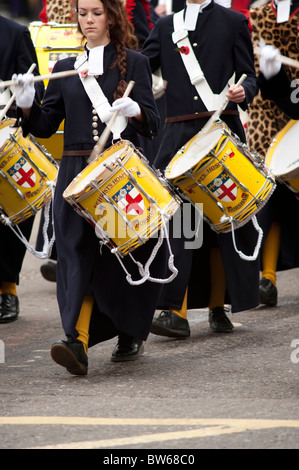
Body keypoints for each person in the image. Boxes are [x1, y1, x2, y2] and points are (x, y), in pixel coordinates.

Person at [13, 0, 172, 375]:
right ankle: (76, 341)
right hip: (74, 174)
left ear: (112, 17)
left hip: (119, 172)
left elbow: (152, 123)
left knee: (124, 255)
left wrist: (136, 111)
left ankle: (129, 332)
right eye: (82, 13)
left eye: (96, 13)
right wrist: (27, 106)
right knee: (75, 255)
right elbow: (46, 125)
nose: (88, 20)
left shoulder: (135, 63)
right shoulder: (66, 68)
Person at [142, 0, 259, 338]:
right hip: (178, 135)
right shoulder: (165, 27)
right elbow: (140, 67)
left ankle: (217, 306)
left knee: (223, 221)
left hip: (222, 131)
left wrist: (243, 90)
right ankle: (174, 310)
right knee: (181, 222)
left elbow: (249, 76)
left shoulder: (234, 21)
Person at [247, 0, 299, 307]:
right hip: (267, 115)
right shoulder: (259, 13)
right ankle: (267, 277)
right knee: (270, 197)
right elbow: (252, 69)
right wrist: (267, 74)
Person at [0, 15, 44, 324]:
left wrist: (26, 94)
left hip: (5, 138)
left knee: (11, 215)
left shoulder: (15, 33)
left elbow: (35, 89)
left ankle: (8, 289)